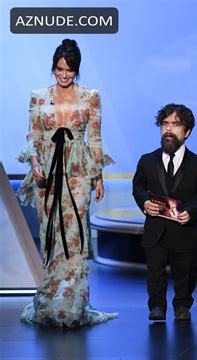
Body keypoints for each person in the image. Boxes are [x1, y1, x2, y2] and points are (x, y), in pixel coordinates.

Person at [17, 39, 118, 328]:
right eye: (60, 69)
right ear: (53, 67)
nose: (64, 74)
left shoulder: (91, 96)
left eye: (70, 70)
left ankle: (72, 306)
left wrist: (99, 177)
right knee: (51, 237)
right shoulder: (38, 96)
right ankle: (50, 303)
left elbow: (95, 139)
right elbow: (33, 137)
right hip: (46, 172)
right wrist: (35, 164)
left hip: (78, 171)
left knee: (73, 237)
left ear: (77, 69)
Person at [133, 104, 197, 322]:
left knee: (185, 271)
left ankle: (182, 306)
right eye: (165, 124)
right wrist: (144, 202)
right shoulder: (147, 160)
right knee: (155, 271)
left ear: (187, 132)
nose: (169, 129)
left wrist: (191, 210)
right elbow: (138, 186)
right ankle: (156, 307)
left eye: (176, 125)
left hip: (183, 228)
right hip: (155, 228)